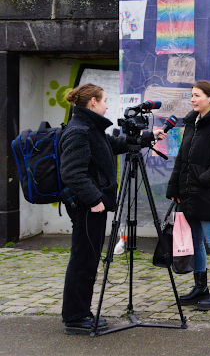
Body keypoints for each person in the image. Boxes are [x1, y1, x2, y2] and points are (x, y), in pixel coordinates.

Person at [59, 83, 129, 334]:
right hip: (88, 208)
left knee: (88, 259)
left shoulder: (90, 129)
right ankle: (76, 317)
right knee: (83, 260)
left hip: (93, 206)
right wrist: (94, 199)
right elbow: (72, 172)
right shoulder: (79, 131)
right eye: (104, 100)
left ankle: (81, 312)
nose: (107, 105)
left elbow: (112, 145)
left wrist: (147, 138)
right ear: (93, 103)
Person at [164, 81, 210, 310]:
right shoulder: (192, 123)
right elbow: (181, 159)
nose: (193, 99)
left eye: (197, 96)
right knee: (195, 241)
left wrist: (203, 179)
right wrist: (174, 187)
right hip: (189, 192)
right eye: (192, 95)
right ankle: (200, 287)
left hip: (209, 192)